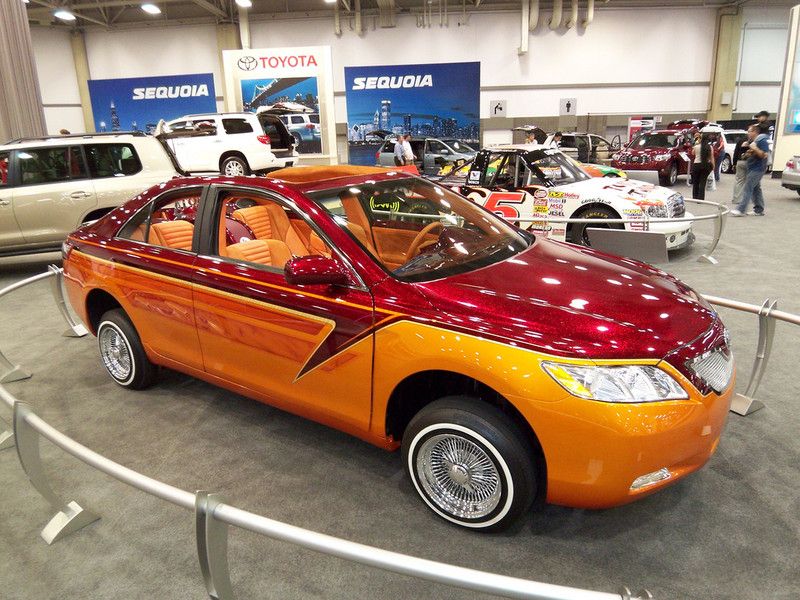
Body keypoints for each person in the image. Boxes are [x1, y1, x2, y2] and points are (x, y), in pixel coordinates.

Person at [732, 123, 770, 216]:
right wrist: (747, 153)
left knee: (748, 187)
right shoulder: (754, 141)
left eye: (749, 131)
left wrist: (754, 148)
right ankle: (759, 209)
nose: (748, 133)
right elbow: (755, 153)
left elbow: (763, 155)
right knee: (756, 189)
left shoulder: (762, 141)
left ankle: (741, 210)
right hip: (753, 167)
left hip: (758, 168)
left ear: (755, 132)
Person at [691, 132, 714, 200]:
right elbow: (711, 157)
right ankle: (701, 198)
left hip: (696, 165)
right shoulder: (709, 147)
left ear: (701, 139)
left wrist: (696, 143)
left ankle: (695, 197)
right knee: (702, 183)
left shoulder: (696, 146)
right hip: (706, 165)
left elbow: (693, 153)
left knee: (695, 182)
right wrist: (713, 166)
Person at [731, 133, 750, 206]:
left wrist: (734, 164)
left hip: (740, 161)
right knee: (748, 181)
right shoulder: (753, 141)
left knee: (739, 181)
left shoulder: (740, 140)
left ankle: (736, 199)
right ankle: (745, 198)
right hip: (749, 162)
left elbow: (736, 152)